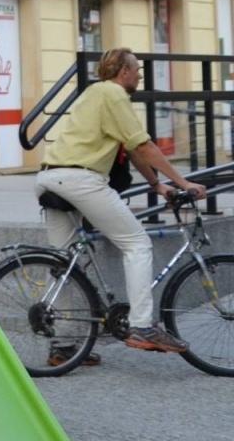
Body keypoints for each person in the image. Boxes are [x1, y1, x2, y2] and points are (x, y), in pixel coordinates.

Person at [33, 47, 206, 354]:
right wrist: (183, 183)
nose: (140, 75)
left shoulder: (93, 93)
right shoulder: (114, 94)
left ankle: (63, 346)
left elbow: (133, 149)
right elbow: (145, 145)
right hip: (80, 179)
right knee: (137, 244)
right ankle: (142, 326)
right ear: (123, 72)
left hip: (50, 177)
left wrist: (157, 185)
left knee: (64, 263)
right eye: (137, 69)